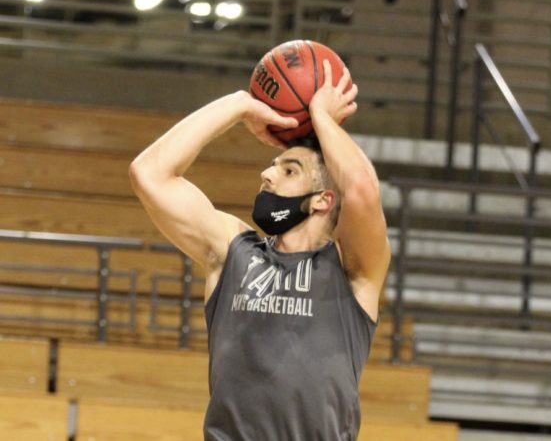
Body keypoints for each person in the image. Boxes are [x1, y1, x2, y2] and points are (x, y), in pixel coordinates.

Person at [129, 60, 391, 440]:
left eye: (289, 170)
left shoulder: (352, 268)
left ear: (323, 199)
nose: (266, 175)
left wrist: (322, 119)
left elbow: (362, 189)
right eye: (272, 166)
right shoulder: (234, 250)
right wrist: (238, 105)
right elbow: (149, 173)